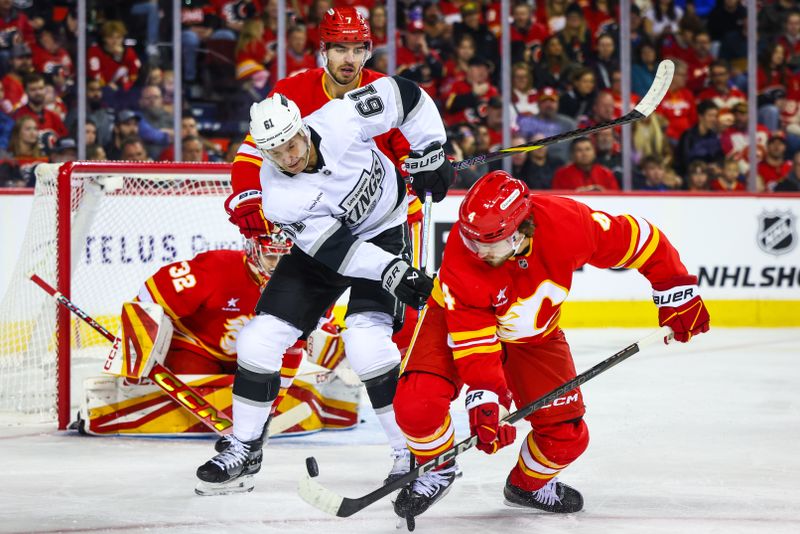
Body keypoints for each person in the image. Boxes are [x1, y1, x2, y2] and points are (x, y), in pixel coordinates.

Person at [392, 170, 710, 522]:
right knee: (416, 403)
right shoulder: (464, 256)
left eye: (490, 242)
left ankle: (528, 485)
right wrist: (487, 397)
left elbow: (639, 239)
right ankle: (437, 468)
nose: (478, 251)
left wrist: (676, 289)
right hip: (454, 318)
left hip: (535, 338)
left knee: (566, 436)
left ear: (520, 229)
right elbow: (474, 339)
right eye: (472, 241)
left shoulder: (567, 224)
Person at [196, 73, 454, 495]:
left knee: (366, 346)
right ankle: (245, 445)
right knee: (258, 340)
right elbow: (338, 252)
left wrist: (430, 149)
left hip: (385, 230)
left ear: (302, 127)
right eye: (276, 153)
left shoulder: (341, 117)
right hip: (326, 247)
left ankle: (410, 451)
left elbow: (406, 96)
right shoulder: (279, 196)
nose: (289, 157)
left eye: (292, 143)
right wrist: (392, 273)